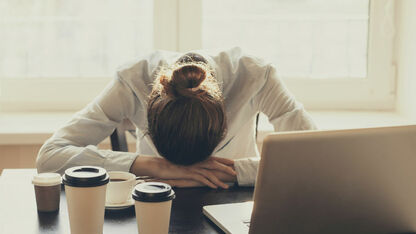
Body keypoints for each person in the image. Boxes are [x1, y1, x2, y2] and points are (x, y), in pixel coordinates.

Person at [36, 47, 316, 188]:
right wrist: (153, 166)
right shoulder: (133, 79)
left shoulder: (256, 75)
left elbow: (317, 157)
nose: (192, 171)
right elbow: (50, 156)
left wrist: (234, 171)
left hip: (235, 197)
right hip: (156, 194)